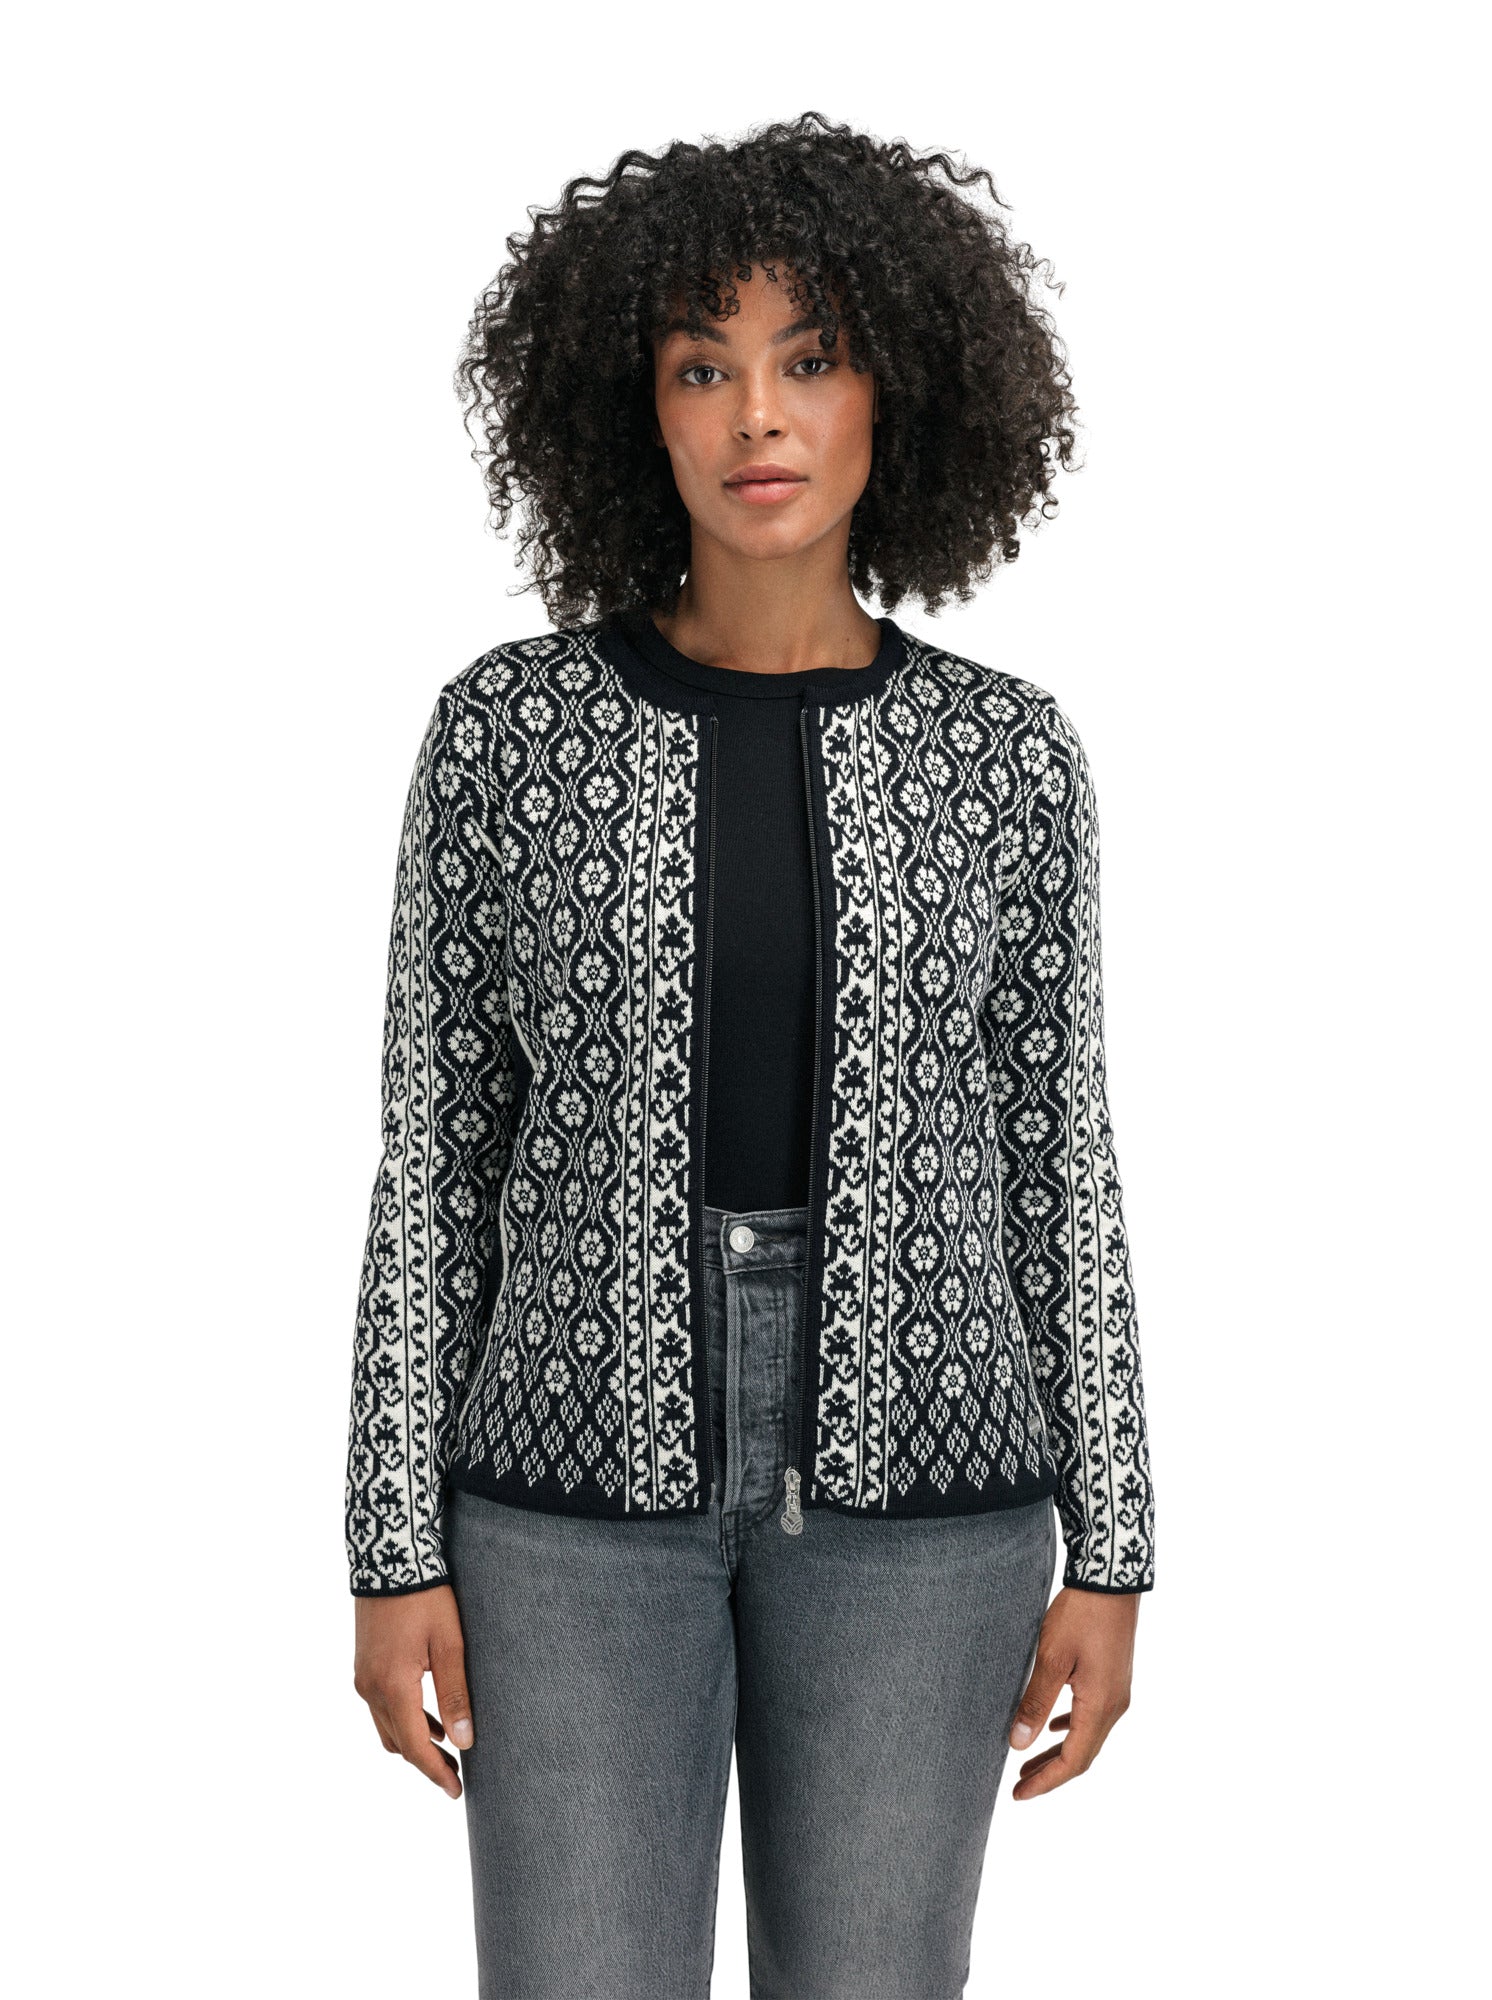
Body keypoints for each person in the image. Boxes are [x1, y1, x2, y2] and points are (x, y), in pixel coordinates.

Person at [345, 109, 1154, 1999]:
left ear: (899, 392)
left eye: (811, 358)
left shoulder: (1007, 757)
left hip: (929, 1497)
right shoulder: (508, 735)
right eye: (702, 368)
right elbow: (436, 1158)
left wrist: (1117, 1544)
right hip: (564, 1494)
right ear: (633, 410)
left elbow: (1061, 1160)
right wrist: (389, 1544)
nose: (758, 417)